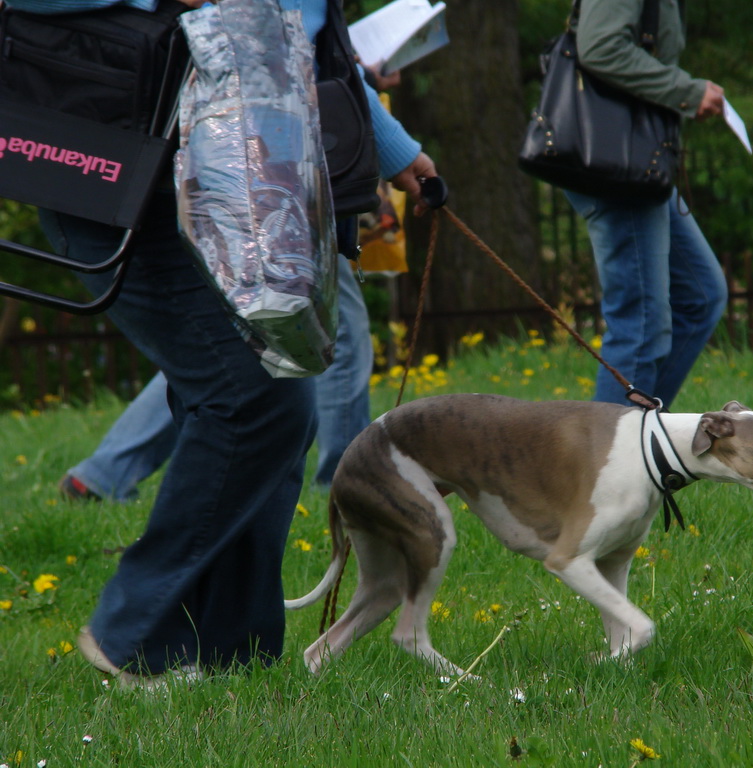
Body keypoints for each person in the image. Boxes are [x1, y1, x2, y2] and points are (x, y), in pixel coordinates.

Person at [6, 0, 435, 687]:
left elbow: (295, 47)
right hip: (122, 176)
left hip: (237, 183)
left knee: (276, 395)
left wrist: (392, 148)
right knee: (252, 400)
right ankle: (137, 634)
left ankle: (234, 657)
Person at [58, 25, 434, 504]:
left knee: (232, 350)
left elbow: (304, 37)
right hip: (250, 154)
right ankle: (350, 480)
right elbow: (282, 36)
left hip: (256, 147)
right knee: (298, 342)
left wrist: (393, 148)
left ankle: (104, 475)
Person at [566, 0, 728, 408]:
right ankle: (608, 461)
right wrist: (686, 91)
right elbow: (601, 47)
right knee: (639, 324)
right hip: (616, 163)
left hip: (639, 161)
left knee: (702, 294)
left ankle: (641, 433)